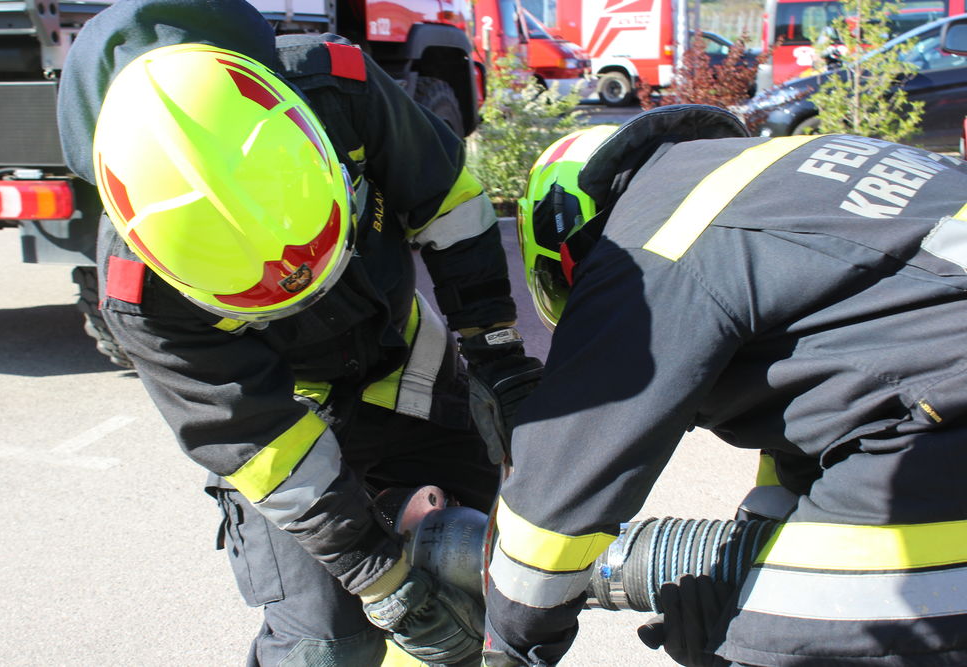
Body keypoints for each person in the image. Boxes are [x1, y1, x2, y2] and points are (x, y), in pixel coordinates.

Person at [55, 0, 543, 664]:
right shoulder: (139, 291)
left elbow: (448, 202)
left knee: (492, 579)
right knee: (325, 645)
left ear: (310, 141)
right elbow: (258, 440)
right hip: (288, 424)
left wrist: (495, 353)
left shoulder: (339, 88)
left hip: (412, 379)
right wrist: (379, 577)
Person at [483, 104, 967, 667]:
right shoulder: (769, 178)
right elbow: (835, 394)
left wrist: (508, 645)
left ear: (563, 242)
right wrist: (747, 562)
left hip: (943, 418)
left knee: (792, 641)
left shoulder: (649, 248)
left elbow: (555, 502)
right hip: (935, 401)